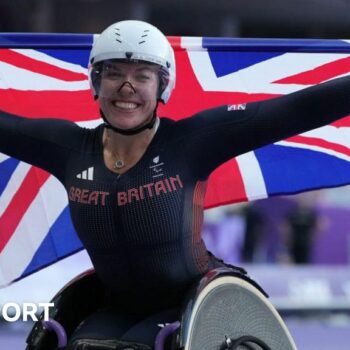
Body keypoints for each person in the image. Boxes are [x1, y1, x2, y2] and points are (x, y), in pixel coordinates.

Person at [2, 19, 350, 349]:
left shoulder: (192, 142)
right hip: (113, 305)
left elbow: (297, 109)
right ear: (95, 82)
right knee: (68, 341)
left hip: (193, 303)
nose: (127, 88)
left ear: (162, 86)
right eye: (114, 74)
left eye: (142, 76)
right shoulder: (67, 148)